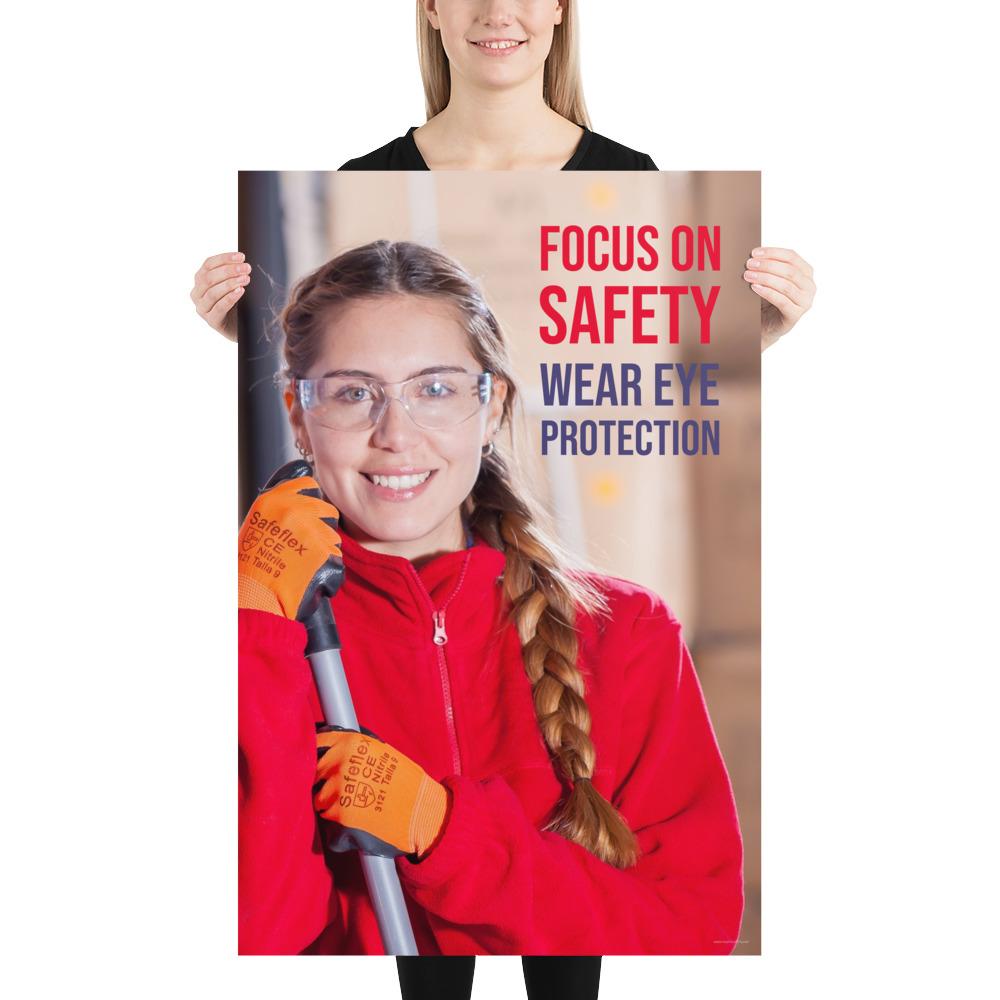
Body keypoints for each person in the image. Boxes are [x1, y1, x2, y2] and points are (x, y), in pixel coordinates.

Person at [238, 241, 745, 996]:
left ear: (493, 406)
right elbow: (253, 939)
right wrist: (253, 633)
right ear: (299, 418)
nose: (396, 434)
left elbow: (687, 939)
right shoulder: (257, 640)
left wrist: (446, 832)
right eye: (351, 393)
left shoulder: (627, 633)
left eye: (435, 389)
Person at [190, 0, 816, 345]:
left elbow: (656, 367)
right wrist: (248, 337)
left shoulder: (631, 179)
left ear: (560, 8)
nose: (497, 11)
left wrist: (759, 330)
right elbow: (343, 357)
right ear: (431, 7)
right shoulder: (363, 184)